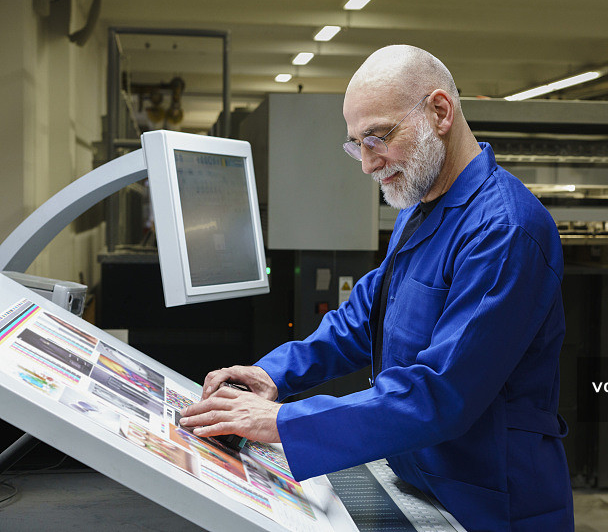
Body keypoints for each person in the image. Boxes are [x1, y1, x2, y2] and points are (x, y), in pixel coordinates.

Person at [181, 44, 574, 531]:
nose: (367, 164)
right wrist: (274, 374)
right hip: (421, 482)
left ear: (439, 112)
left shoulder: (506, 230)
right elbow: (365, 317)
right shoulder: (420, 207)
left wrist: (281, 422)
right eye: (356, 144)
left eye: (378, 138)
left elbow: (440, 392)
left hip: (491, 505)